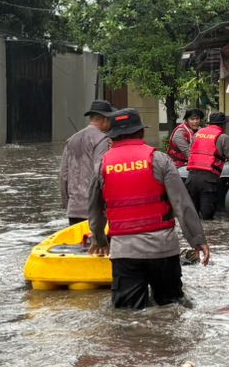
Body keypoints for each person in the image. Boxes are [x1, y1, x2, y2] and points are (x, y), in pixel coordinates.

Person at [89, 107, 210, 309]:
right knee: (172, 308)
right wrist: (198, 240)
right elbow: (183, 205)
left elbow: (94, 211)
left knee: (128, 316)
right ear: (142, 132)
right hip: (162, 249)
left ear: (111, 136)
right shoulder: (160, 160)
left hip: (125, 253)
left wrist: (99, 240)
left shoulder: (102, 166)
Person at [59, 99, 114, 222]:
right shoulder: (103, 140)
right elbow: (101, 173)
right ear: (104, 119)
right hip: (94, 211)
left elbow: (63, 176)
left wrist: (67, 204)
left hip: (73, 210)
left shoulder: (71, 139)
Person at [185, 110, 229, 219]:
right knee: (207, 217)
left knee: (193, 217)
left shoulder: (197, 134)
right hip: (209, 181)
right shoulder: (223, 138)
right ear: (223, 124)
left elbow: (191, 153)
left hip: (191, 179)